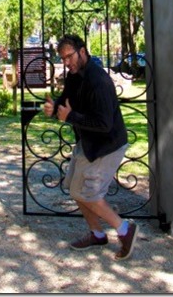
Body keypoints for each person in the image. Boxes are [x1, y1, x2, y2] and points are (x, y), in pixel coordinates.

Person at [43, 33, 139, 260]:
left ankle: (125, 229)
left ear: (83, 51)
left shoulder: (99, 81)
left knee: (89, 193)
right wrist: (54, 108)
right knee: (75, 189)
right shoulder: (74, 77)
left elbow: (104, 125)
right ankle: (97, 234)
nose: (67, 63)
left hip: (107, 145)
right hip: (87, 143)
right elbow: (66, 102)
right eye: (63, 59)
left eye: (70, 57)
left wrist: (70, 117)